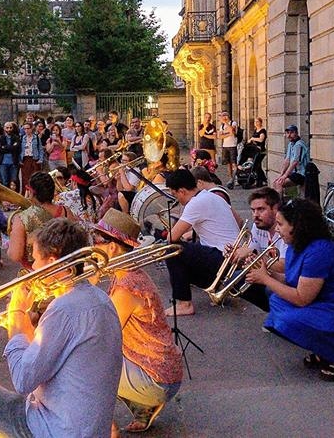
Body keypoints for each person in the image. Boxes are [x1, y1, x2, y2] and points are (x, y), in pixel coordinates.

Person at [0, 218, 122, 438]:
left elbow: (23, 380)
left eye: (36, 259)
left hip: (54, 429)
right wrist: (26, 323)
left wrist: (16, 312)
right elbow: (41, 363)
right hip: (88, 428)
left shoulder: (64, 309)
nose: (33, 267)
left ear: (53, 261)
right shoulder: (100, 299)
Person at [244, 198, 334, 380]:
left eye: (280, 224)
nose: (277, 229)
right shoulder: (297, 245)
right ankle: (326, 350)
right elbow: (293, 281)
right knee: (277, 302)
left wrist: (266, 280)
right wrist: (266, 273)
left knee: (288, 320)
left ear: (297, 226)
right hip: (331, 303)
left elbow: (302, 298)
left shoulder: (319, 251)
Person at [90, 210, 183, 434]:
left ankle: (106, 428)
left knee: (83, 364)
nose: (92, 248)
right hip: (159, 370)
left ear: (112, 247)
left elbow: (101, 334)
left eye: (96, 241)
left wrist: (87, 287)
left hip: (157, 378)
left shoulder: (127, 286)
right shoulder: (126, 273)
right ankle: (143, 407)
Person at [163, 168, 242, 316]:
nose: (176, 200)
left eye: (174, 194)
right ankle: (217, 288)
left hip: (224, 259)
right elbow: (239, 221)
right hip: (230, 257)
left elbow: (171, 238)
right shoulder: (213, 196)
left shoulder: (196, 203)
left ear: (181, 191)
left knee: (173, 250)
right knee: (186, 255)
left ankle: (183, 303)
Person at [6, 171, 74, 269]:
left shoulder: (21, 218)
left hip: (36, 274)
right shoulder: (66, 211)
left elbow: (15, 255)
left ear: (31, 192)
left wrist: (11, 240)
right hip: (64, 270)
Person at [273, 125, 309, 191]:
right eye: (287, 133)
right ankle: (282, 200)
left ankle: (279, 201)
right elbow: (287, 160)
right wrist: (281, 174)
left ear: (296, 133)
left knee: (279, 184)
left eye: (291, 133)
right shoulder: (291, 144)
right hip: (293, 173)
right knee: (276, 182)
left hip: (301, 174)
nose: (289, 135)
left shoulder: (299, 144)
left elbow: (295, 162)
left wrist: (285, 175)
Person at [19, 121, 45, 189]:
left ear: (31, 129)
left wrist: (40, 159)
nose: (26, 130)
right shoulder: (22, 138)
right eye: (25, 129)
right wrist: (19, 160)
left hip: (34, 159)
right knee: (25, 178)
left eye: (28, 128)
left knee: (35, 177)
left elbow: (40, 149)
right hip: (25, 159)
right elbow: (20, 150)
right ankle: (26, 193)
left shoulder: (36, 137)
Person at [217, 111, 239, 187]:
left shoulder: (233, 123)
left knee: (234, 163)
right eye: (223, 116)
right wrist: (228, 133)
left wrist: (226, 124)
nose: (224, 117)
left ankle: (236, 179)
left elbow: (232, 131)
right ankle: (230, 178)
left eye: (225, 115)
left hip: (232, 145)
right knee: (228, 163)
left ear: (228, 116)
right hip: (225, 146)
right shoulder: (221, 126)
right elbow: (220, 136)